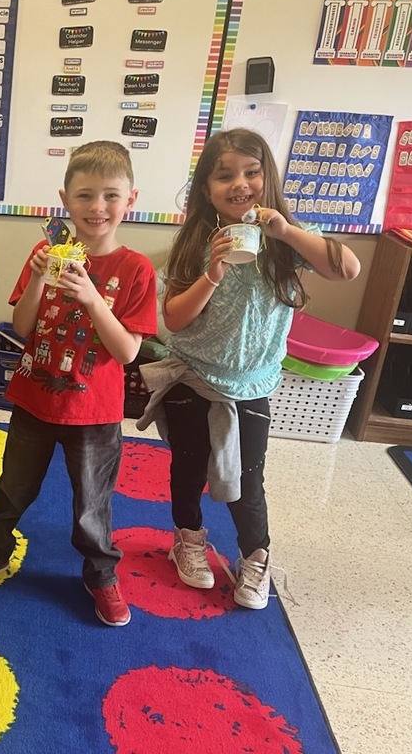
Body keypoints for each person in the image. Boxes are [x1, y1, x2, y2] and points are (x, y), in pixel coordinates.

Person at [136, 127, 360, 609]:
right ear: (206, 189)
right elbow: (172, 319)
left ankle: (255, 557)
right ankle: (189, 538)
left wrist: (284, 231)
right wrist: (211, 273)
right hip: (193, 376)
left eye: (251, 172)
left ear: (267, 177)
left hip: (252, 384)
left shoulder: (287, 242)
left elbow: (347, 269)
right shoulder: (195, 242)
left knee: (248, 477)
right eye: (224, 176)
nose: (240, 184)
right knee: (188, 465)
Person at [0, 141, 158, 627]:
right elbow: (22, 326)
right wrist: (42, 279)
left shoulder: (135, 269)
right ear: (65, 200)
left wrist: (91, 298)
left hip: (97, 411)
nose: (97, 207)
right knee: (12, 489)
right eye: (85, 195)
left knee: (93, 502)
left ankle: (101, 573)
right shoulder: (46, 252)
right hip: (34, 399)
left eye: (111, 195)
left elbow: (128, 352)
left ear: (131, 200)